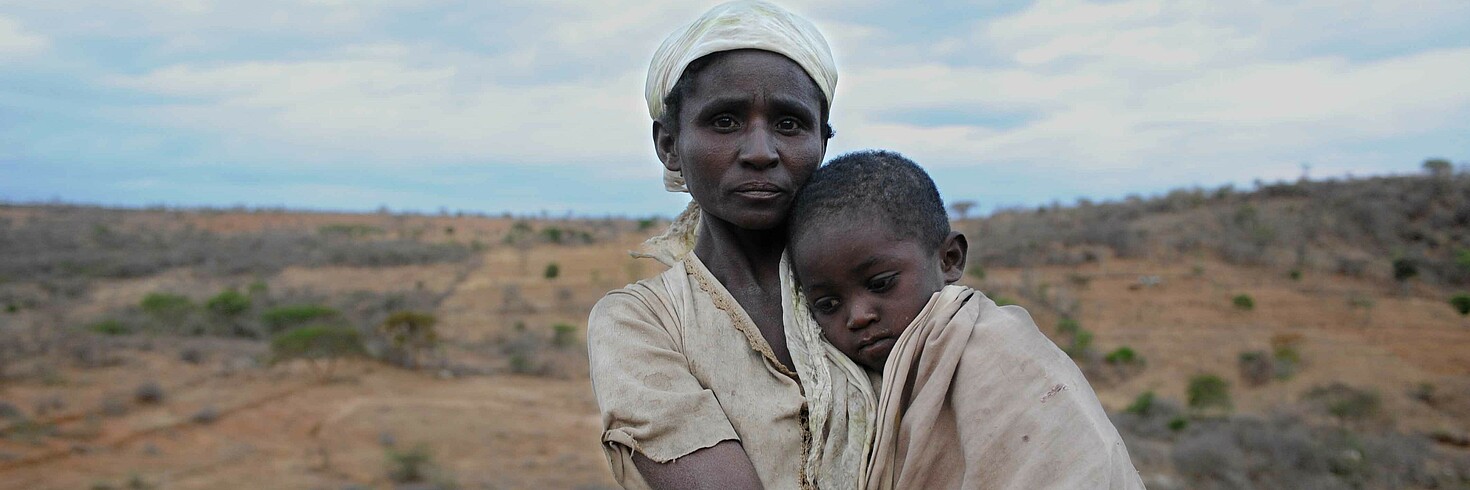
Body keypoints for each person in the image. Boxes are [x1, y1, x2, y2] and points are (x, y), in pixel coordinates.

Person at [586, 2, 874, 489]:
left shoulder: (885, 290)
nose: (761, 152)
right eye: (724, 122)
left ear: (823, 141)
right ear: (669, 144)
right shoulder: (641, 322)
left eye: (789, 124)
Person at [786, 150, 1145, 489]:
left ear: (950, 259)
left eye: (881, 284)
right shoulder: (844, 385)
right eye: (829, 304)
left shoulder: (1006, 361)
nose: (858, 317)